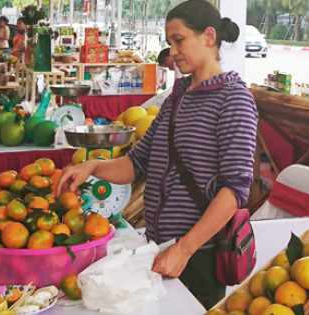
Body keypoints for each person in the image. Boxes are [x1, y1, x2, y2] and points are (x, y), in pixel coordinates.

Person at [55, 0, 258, 309]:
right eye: (169, 42)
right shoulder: (177, 96)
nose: (172, 52)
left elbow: (235, 190)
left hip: (198, 257)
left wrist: (185, 249)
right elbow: (136, 164)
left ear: (208, 37)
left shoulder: (234, 100)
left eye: (179, 40)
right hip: (157, 249)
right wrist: (91, 166)